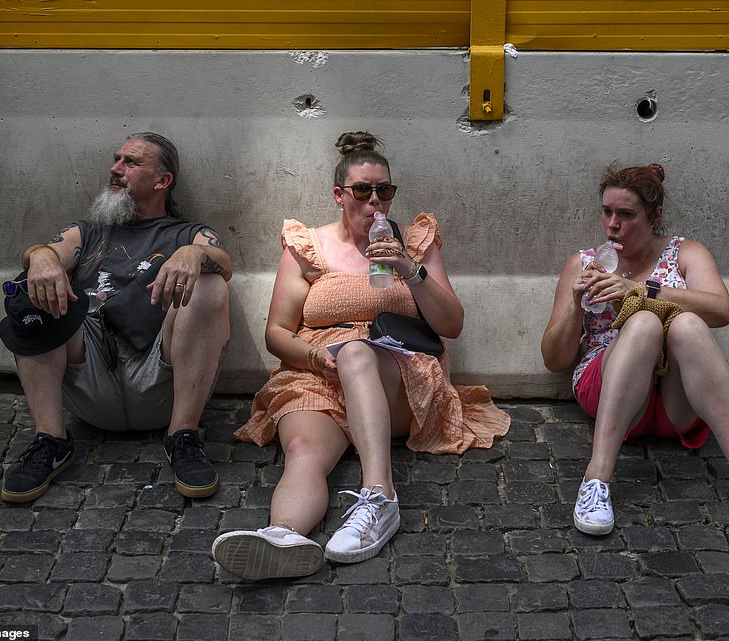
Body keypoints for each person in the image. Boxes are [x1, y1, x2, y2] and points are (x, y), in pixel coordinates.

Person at [211, 131, 509, 580]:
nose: (376, 201)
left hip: (401, 374)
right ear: (339, 195)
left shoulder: (415, 241)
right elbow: (276, 333)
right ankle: (283, 536)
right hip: (320, 371)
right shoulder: (306, 245)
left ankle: (380, 496)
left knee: (356, 353)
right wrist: (314, 359)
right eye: (363, 191)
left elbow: (451, 325)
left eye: (384, 191)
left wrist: (412, 271)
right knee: (301, 449)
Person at [541, 163, 729, 538]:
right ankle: (596, 479)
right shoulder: (582, 263)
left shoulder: (685, 252)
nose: (613, 224)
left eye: (626, 215)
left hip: (677, 401)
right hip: (615, 393)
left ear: (654, 216)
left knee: (687, 323)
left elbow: (721, 310)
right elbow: (553, 360)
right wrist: (575, 305)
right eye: (607, 212)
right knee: (642, 324)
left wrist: (645, 292)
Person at [0, 132, 232, 503]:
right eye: (116, 159)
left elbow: (222, 262)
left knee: (210, 285)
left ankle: (182, 436)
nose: (115, 169)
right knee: (31, 285)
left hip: (158, 376)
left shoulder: (188, 233)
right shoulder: (87, 231)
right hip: (90, 372)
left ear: (162, 180)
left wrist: (191, 253)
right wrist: (40, 256)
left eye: (130, 162)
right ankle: (52, 439)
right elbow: (48, 251)